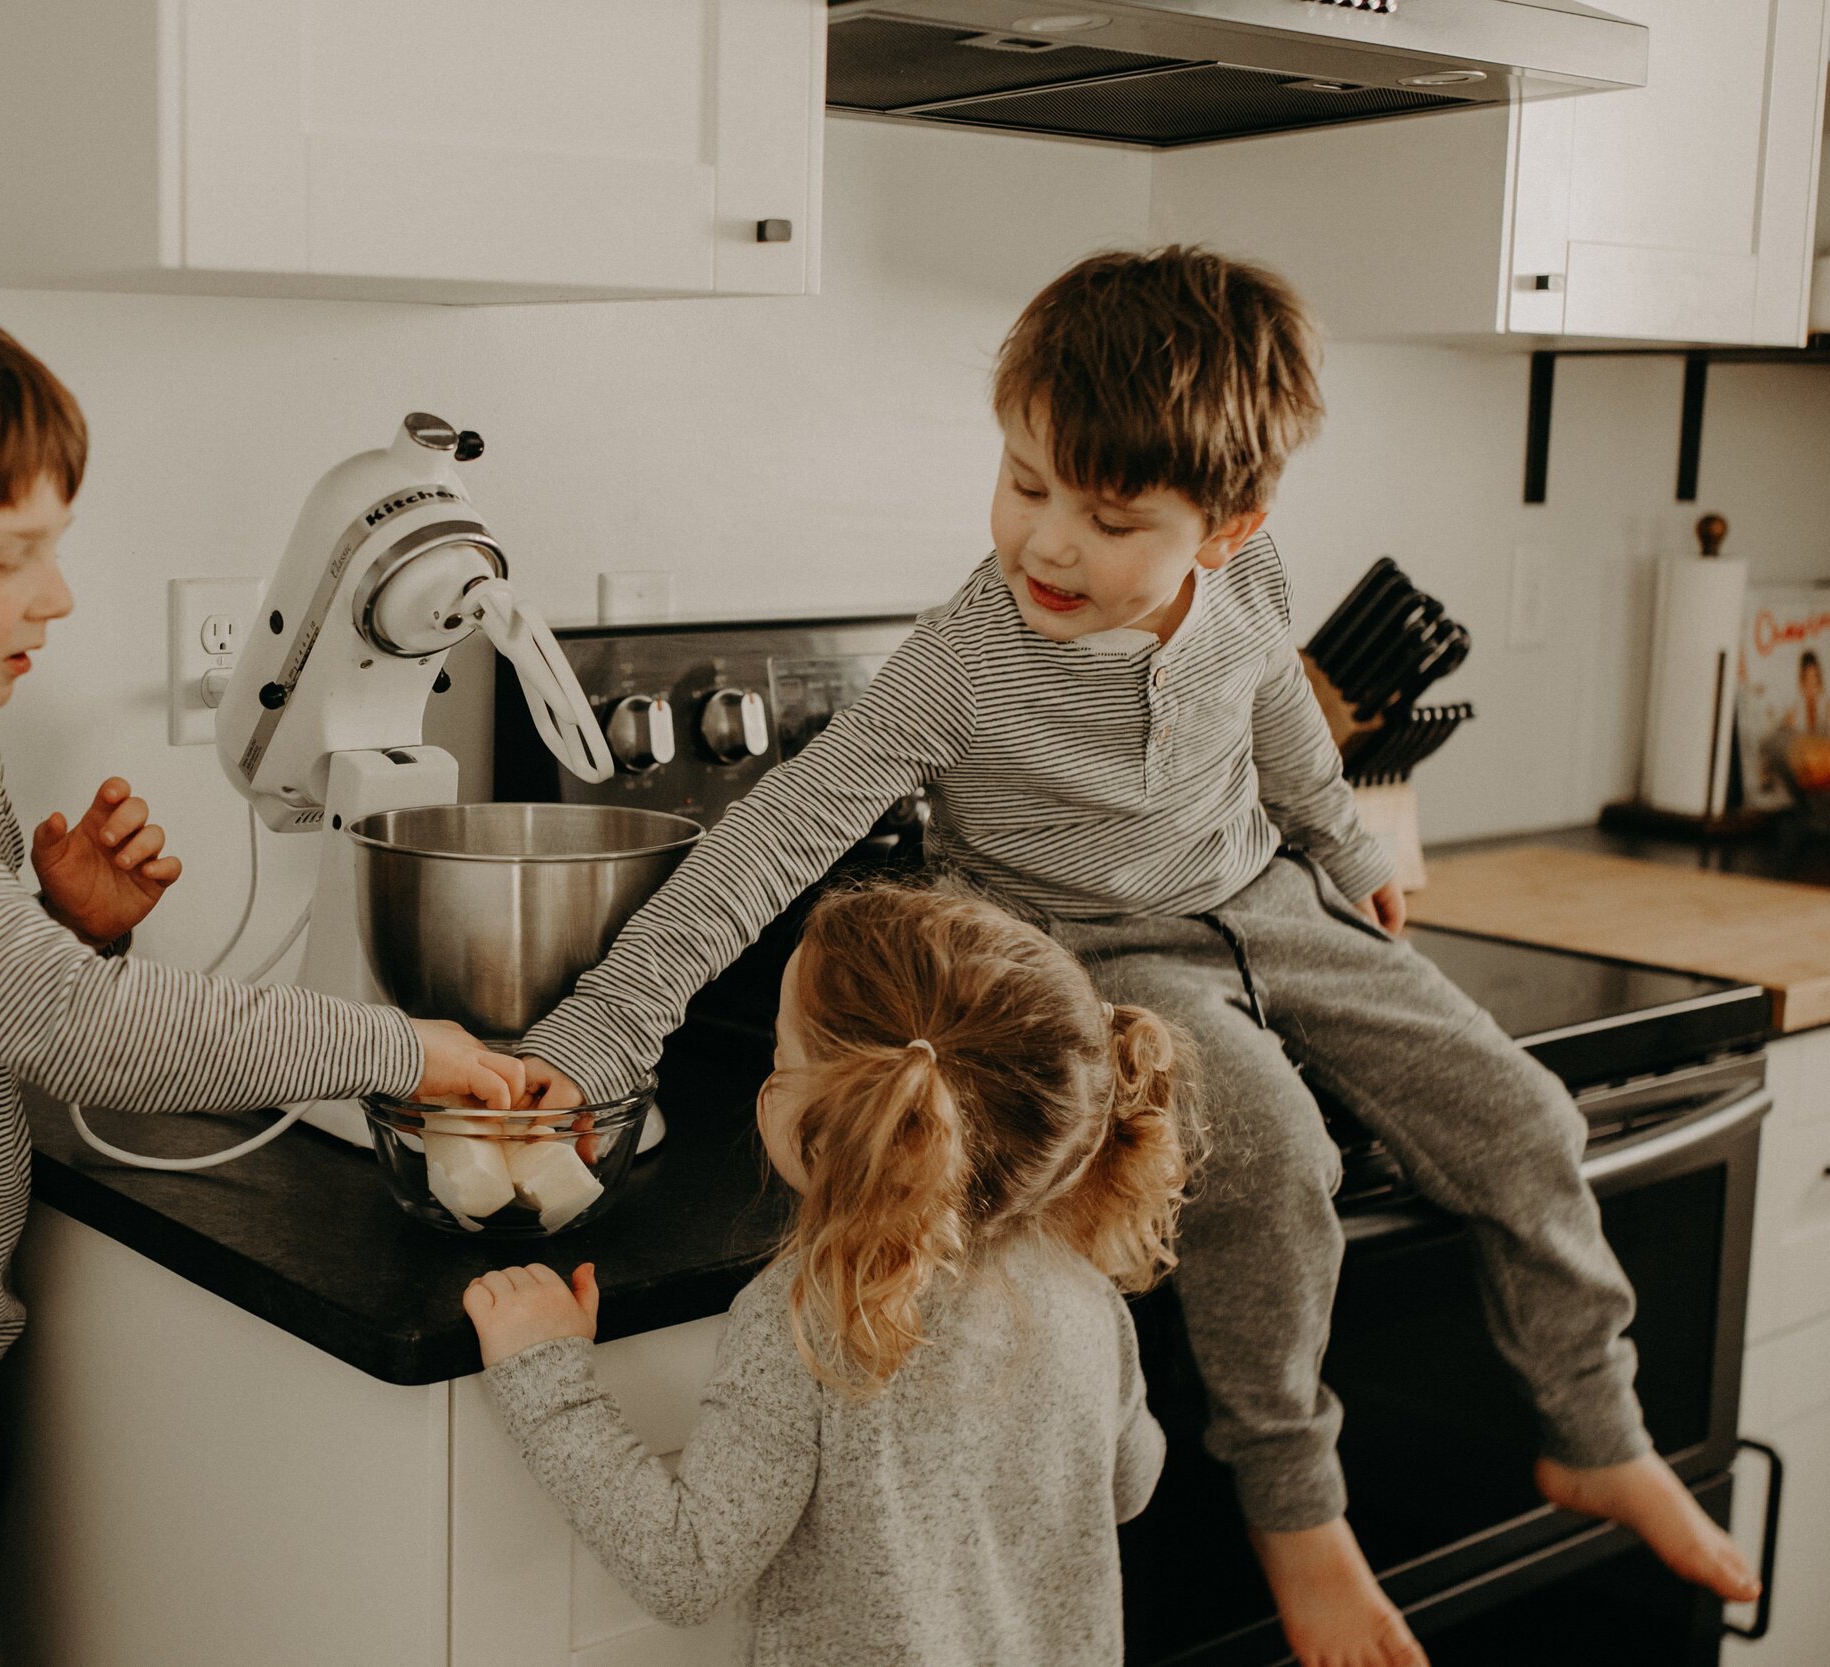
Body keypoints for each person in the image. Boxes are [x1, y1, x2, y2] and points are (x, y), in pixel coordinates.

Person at [515, 248, 1759, 1667]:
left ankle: (1599, 1429)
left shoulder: (1252, 581)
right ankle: (1301, 1511)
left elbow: (1277, 702)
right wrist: (613, 1019)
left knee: (1526, 1112)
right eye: (1024, 480)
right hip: (1096, 952)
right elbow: (772, 835)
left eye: (1108, 516)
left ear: (1229, 525)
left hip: (1270, 897)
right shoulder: (959, 662)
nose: (1045, 541)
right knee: (1276, 1158)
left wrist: (1342, 840)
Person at [0, 293, 523, 1665]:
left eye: (51, 546)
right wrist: (398, 1047)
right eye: (10, 555)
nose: (56, 593)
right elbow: (83, 1037)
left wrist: (68, 920)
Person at [465, 883, 1183, 1666]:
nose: (767, 1074)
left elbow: (688, 1569)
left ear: (864, 1119)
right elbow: (1129, 1484)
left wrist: (548, 1378)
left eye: (782, 1054)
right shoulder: (1083, 1288)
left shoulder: (810, 1315)